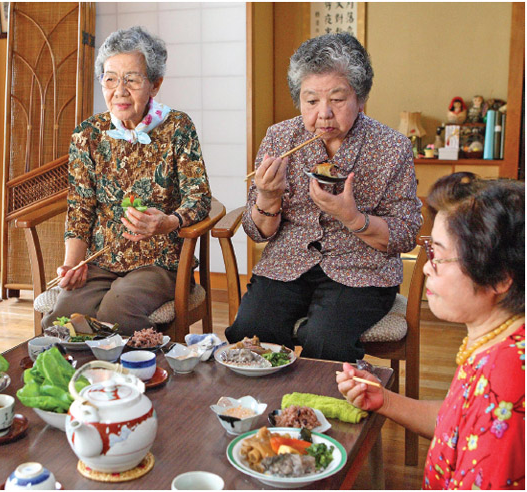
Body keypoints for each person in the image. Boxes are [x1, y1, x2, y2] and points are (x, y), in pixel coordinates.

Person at [225, 32, 422, 362]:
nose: (324, 113)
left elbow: (404, 234)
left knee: (324, 339)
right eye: (311, 101)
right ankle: (263, 409)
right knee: (252, 329)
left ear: (360, 99)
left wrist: (353, 218)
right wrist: (268, 197)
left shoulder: (392, 147)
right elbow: (256, 230)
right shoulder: (280, 137)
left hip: (362, 270)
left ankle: (319, 412)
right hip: (287, 265)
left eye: (337, 99)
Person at [337, 173, 524, 489]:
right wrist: (384, 400)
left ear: (499, 278)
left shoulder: (507, 380)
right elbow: (459, 425)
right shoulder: (498, 341)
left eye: (437, 255)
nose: (426, 267)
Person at [41, 26, 211, 335]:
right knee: (60, 321)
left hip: (159, 263)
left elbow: (199, 198)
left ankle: (141, 377)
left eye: (131, 79)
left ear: (154, 84)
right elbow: (80, 209)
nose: (119, 90)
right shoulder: (87, 134)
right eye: (110, 79)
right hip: (99, 261)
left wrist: (169, 222)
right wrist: (73, 263)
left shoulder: (177, 128)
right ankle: (87, 381)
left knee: (116, 309)